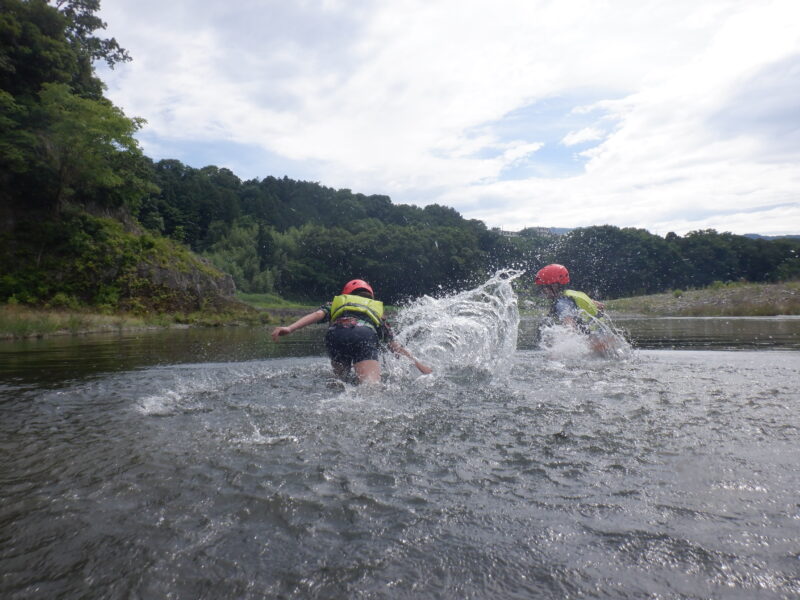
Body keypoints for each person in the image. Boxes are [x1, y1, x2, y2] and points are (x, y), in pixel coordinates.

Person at [271, 279, 432, 384]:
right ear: (370, 297)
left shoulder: (335, 303)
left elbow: (317, 315)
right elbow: (394, 346)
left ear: (346, 294)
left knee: (341, 382)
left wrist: (289, 328)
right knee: (370, 389)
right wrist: (419, 365)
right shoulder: (376, 311)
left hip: (335, 335)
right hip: (364, 335)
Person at [533, 263, 613, 355]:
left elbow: (570, 328)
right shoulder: (574, 294)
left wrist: (561, 349)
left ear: (555, 285)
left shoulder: (561, 303)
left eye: (544, 287)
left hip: (596, 345)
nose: (542, 291)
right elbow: (601, 306)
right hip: (606, 341)